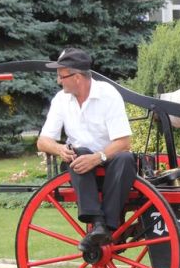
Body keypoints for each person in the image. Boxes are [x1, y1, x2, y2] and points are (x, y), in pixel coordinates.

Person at [37, 48, 137, 253]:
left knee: (125, 158)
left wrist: (98, 157)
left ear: (77, 77)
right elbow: (42, 141)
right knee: (77, 152)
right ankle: (98, 223)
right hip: (79, 161)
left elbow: (124, 141)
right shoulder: (61, 100)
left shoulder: (108, 94)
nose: (58, 81)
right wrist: (59, 149)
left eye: (61, 76)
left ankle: (107, 227)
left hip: (108, 158)